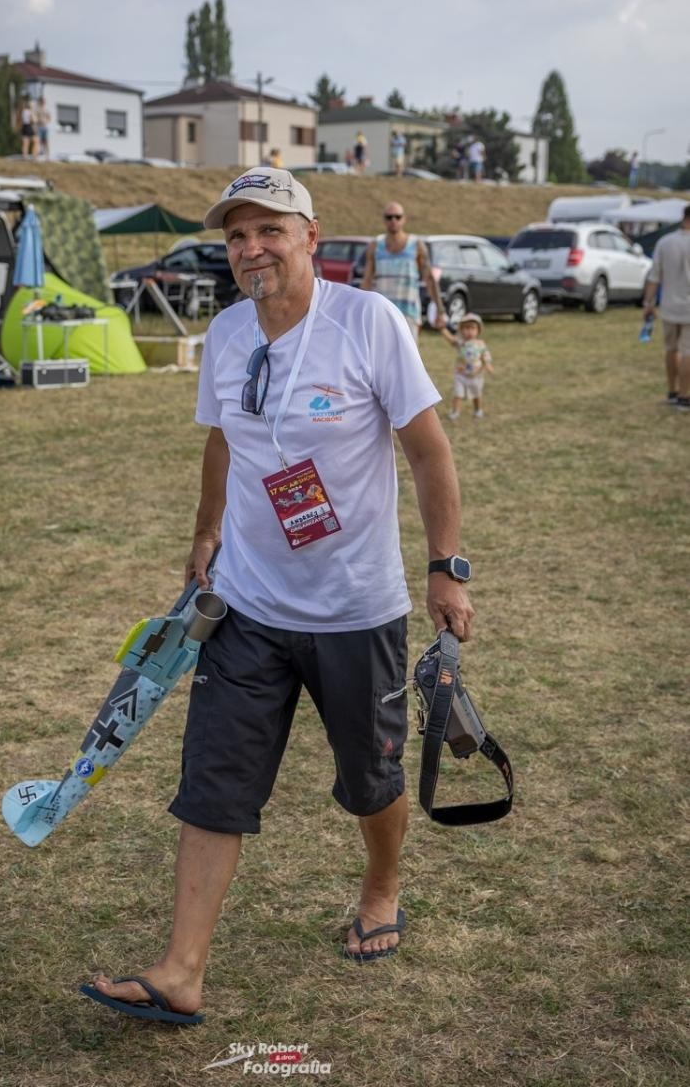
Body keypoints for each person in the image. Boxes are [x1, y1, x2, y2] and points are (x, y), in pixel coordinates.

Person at [85, 167, 474, 1023]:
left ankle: (382, 887)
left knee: (371, 778)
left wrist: (446, 566)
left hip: (355, 610)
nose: (251, 249)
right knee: (215, 779)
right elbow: (223, 441)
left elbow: (428, 451)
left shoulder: (368, 322)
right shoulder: (227, 333)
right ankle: (181, 970)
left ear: (310, 235)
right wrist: (205, 532)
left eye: (269, 230)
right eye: (237, 236)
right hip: (247, 607)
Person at [360, 201, 446, 341]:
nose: (393, 220)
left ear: (404, 219)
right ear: (384, 220)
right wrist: (360, 309)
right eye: (389, 217)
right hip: (382, 313)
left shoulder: (416, 245)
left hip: (409, 313)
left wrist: (440, 310)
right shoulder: (375, 246)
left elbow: (429, 279)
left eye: (397, 217)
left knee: (408, 354)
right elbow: (367, 281)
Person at [643, 202, 690, 411]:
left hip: (669, 306)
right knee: (688, 352)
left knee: (671, 349)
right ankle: (685, 396)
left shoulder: (665, 242)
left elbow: (654, 276)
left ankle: (672, 391)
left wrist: (648, 303)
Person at [440, 312, 493, 420]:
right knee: (458, 394)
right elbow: (451, 339)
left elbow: (485, 355)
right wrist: (442, 329)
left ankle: (478, 410)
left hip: (476, 375)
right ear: (461, 330)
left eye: (472, 328)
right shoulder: (461, 342)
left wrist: (487, 364)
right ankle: (455, 411)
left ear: (478, 330)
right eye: (466, 328)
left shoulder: (480, 344)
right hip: (461, 374)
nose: (469, 331)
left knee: (476, 394)